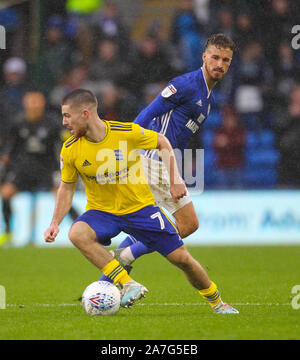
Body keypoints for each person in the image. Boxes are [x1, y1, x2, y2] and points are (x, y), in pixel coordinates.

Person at [44, 88, 238, 313]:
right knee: (77, 233)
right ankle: (128, 284)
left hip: (140, 209)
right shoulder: (70, 150)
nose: (64, 122)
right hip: (102, 212)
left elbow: (162, 142)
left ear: (85, 113)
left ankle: (218, 303)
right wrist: (55, 222)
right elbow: (66, 188)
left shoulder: (125, 132)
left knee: (182, 259)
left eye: (67, 116)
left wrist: (175, 180)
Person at [101, 33, 237, 278]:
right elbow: (148, 112)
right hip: (152, 159)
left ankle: (108, 279)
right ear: (204, 57)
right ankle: (122, 259)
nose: (219, 64)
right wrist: (128, 148)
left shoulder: (208, 96)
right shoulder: (186, 84)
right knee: (187, 224)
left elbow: (185, 134)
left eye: (225, 60)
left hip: (164, 162)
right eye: (215, 57)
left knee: (159, 227)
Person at [0, 91, 79, 246]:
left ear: (42, 103)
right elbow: (10, 148)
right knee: (6, 194)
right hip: (23, 167)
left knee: (62, 196)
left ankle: (81, 228)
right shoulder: (17, 123)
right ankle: (8, 232)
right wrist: (6, 159)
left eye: (37, 101)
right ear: (25, 103)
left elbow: (65, 140)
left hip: (47, 167)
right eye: (31, 101)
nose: (34, 105)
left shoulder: (52, 123)